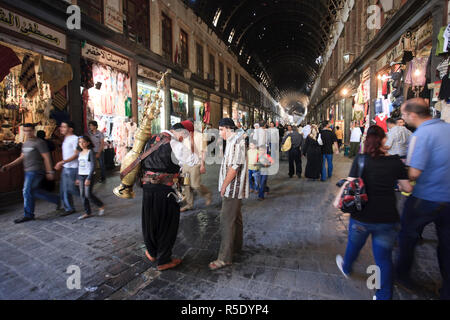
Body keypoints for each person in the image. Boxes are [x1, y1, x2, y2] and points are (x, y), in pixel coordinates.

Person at [334, 125, 413, 300]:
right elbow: (407, 187)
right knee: (383, 259)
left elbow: (351, 183)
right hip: (387, 218)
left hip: (361, 215)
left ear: (367, 141)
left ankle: (347, 267)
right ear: (384, 140)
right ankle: (383, 296)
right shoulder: (394, 162)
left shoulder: (361, 160)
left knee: (353, 246)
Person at [396, 98, 450, 300]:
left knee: (407, 235)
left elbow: (414, 173)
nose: (402, 118)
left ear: (413, 115)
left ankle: (402, 275)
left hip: (426, 197)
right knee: (446, 244)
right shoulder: (447, 128)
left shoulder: (421, 134)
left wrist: (399, 170)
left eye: (403, 114)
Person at [141, 123, 187, 271]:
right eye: (184, 136)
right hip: (166, 189)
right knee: (167, 224)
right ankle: (164, 260)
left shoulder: (150, 139)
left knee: (150, 220)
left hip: (148, 187)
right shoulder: (175, 143)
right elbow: (191, 161)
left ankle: (152, 252)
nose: (183, 139)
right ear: (179, 132)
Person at [209, 118, 248, 271]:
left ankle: (224, 258)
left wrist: (224, 185)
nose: (220, 133)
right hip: (233, 188)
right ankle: (236, 247)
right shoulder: (233, 141)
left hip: (233, 188)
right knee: (236, 219)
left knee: (226, 220)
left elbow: (235, 166)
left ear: (228, 128)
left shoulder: (237, 141)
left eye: (221, 130)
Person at [1, 123, 59, 224]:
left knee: (26, 191)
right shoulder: (26, 143)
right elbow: (21, 157)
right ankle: (57, 200)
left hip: (36, 170)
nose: (27, 132)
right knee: (34, 192)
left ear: (33, 130)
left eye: (29, 130)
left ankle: (28, 214)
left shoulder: (39, 142)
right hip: (28, 171)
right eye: (25, 130)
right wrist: (9, 165)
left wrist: (50, 171)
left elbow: (46, 157)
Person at [179, 120, 212, 212]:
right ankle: (189, 204)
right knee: (186, 185)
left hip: (196, 164)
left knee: (195, 185)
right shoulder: (183, 138)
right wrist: (181, 164)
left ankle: (207, 194)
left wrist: (202, 165)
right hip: (186, 164)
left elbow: (203, 152)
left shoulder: (200, 137)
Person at [76, 136, 105, 220]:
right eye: (80, 142)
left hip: (89, 175)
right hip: (81, 175)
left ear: (88, 143)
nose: (81, 144)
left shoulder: (90, 152)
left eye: (83, 142)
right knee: (82, 195)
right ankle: (87, 212)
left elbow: (93, 166)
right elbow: (79, 166)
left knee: (88, 194)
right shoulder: (80, 153)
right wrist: (77, 177)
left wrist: (88, 178)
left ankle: (100, 205)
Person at [55, 121, 80, 216]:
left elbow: (76, 154)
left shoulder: (75, 139)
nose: (61, 128)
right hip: (66, 167)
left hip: (73, 168)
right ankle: (68, 208)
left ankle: (90, 199)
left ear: (70, 129)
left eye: (64, 127)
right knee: (64, 189)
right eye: (61, 127)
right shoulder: (66, 138)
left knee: (72, 189)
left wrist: (62, 162)